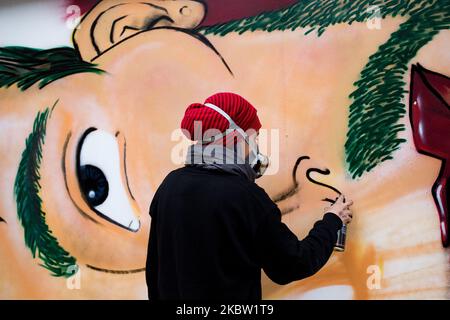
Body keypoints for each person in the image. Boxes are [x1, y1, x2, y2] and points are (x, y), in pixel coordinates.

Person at [146, 92, 353, 300]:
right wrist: (332, 221)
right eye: (254, 137)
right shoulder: (246, 197)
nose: (255, 146)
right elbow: (292, 265)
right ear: (236, 137)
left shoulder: (170, 186)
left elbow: (154, 271)